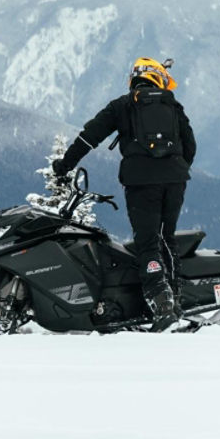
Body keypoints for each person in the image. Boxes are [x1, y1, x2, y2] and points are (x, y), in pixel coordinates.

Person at [52, 57, 195, 332]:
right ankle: (176, 299)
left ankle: (160, 302)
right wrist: (175, 168)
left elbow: (88, 137)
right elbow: (190, 145)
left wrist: (64, 165)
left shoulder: (122, 105)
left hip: (140, 181)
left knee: (147, 241)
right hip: (175, 179)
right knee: (167, 237)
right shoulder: (173, 105)